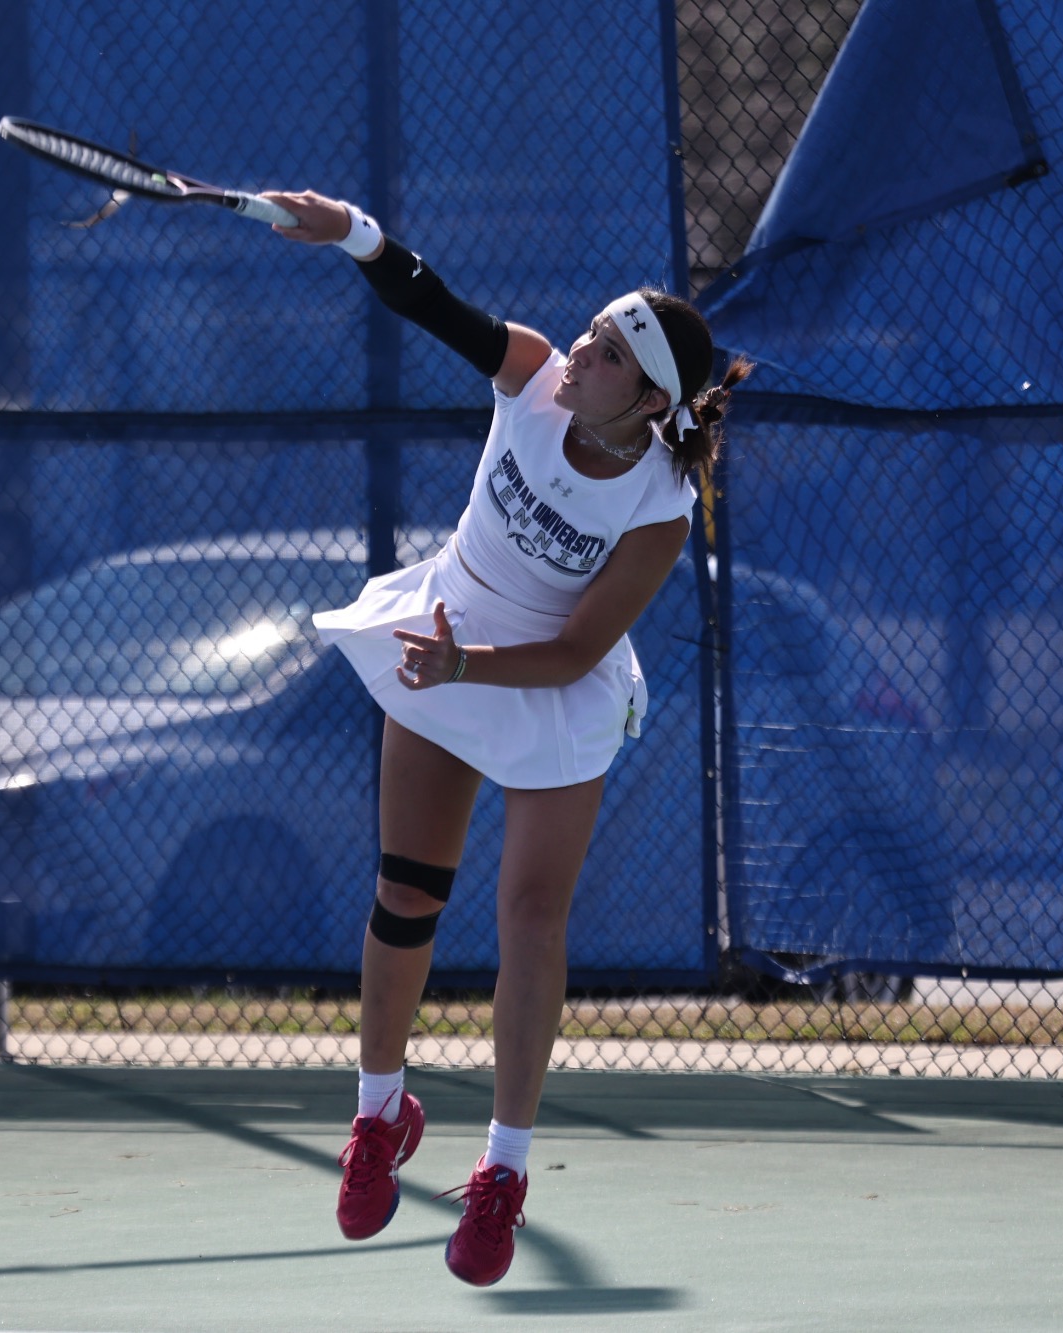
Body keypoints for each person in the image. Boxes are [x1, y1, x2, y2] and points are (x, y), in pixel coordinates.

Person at [264, 188, 750, 1287]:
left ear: (649, 399)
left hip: (540, 676)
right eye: (588, 333)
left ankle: (502, 1172)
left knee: (531, 915)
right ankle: (377, 1114)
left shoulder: (659, 505)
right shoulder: (529, 376)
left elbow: (576, 651)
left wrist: (463, 668)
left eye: (608, 353)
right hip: (453, 623)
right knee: (404, 895)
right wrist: (345, 231)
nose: (579, 351)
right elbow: (425, 298)